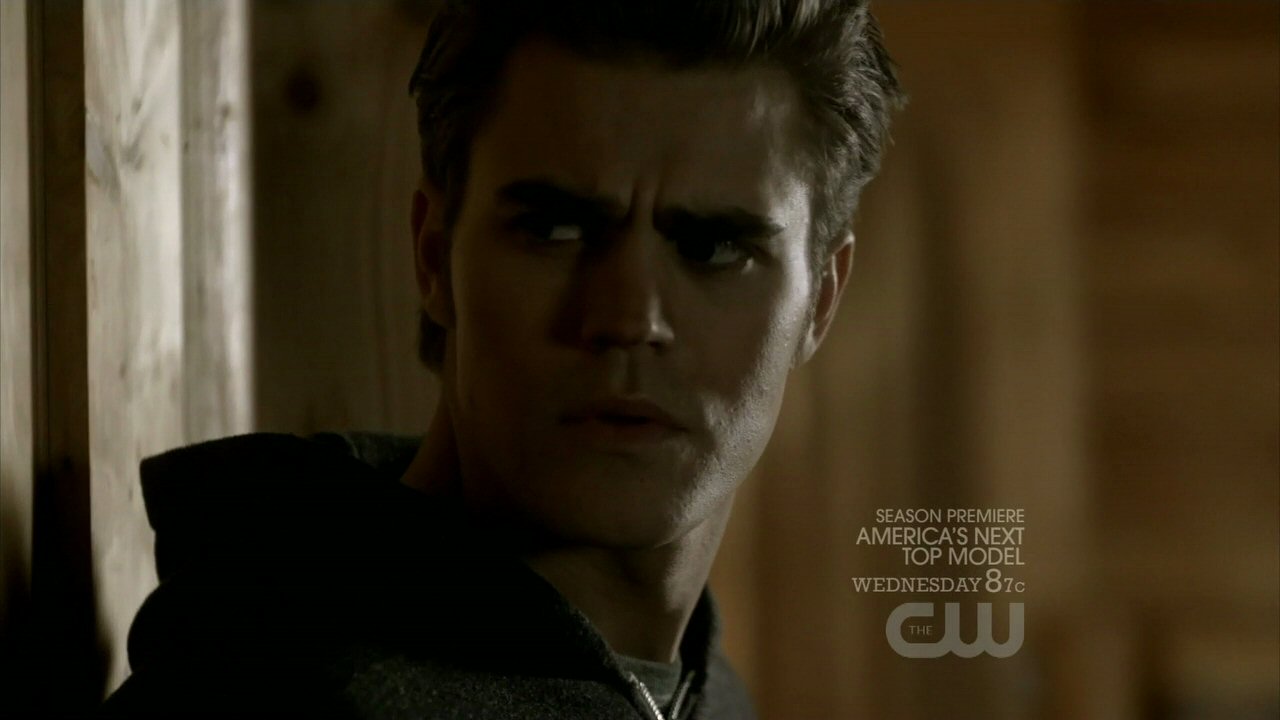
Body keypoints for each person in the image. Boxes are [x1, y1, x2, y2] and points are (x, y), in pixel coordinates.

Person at [100, 1, 902, 718]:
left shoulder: (706, 692)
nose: (629, 318)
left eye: (715, 247)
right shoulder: (270, 695)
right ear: (433, 257)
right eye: (555, 229)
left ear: (822, 300)